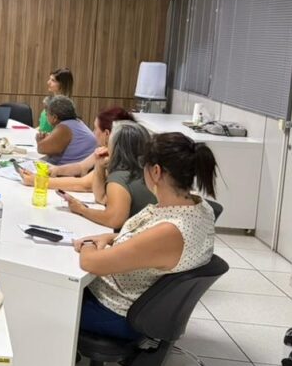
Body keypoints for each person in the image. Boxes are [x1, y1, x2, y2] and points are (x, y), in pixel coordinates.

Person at [72, 132, 217, 340]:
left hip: (114, 311)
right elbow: (147, 243)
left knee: (44, 297)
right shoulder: (199, 208)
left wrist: (86, 242)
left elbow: (91, 263)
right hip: (142, 305)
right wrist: (108, 238)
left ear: (156, 171)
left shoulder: (170, 231)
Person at [60, 121, 156, 230]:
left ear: (116, 147)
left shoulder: (120, 178)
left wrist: (81, 209)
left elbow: (114, 220)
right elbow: (101, 198)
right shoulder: (147, 172)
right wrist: (99, 166)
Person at [17, 106, 134, 192]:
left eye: (95, 129)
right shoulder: (105, 149)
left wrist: (37, 181)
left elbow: (84, 184)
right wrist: (56, 170)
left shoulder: (119, 157)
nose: (93, 133)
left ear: (107, 134)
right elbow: (81, 166)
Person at [35, 95, 97, 165]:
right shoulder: (78, 122)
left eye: (47, 114)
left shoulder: (63, 128)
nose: (46, 116)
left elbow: (41, 148)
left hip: (67, 171)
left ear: (54, 117)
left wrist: (39, 140)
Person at [37, 68, 73, 138]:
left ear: (62, 84)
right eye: (50, 79)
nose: (48, 82)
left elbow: (61, 134)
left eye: (53, 80)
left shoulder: (65, 108)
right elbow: (43, 127)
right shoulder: (51, 101)